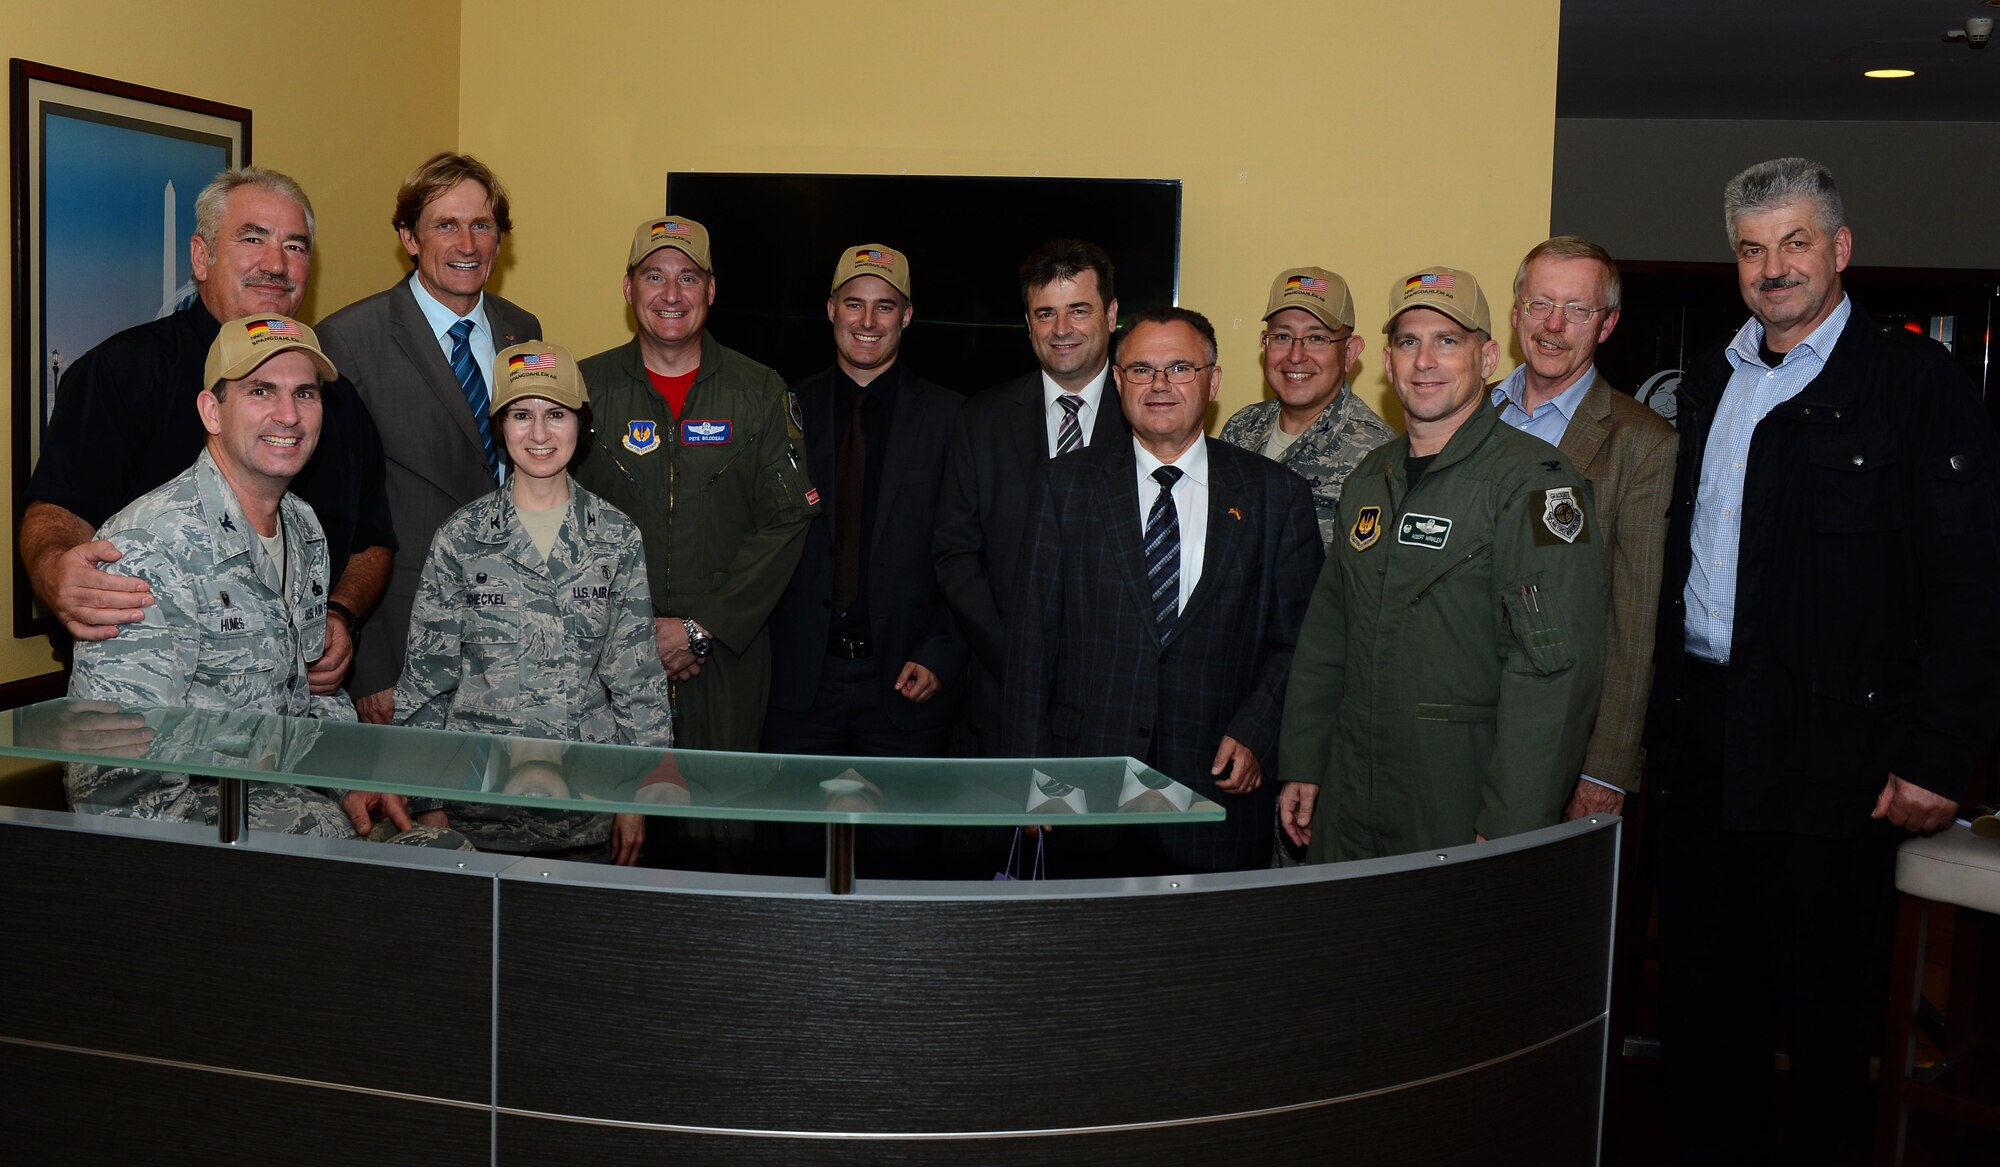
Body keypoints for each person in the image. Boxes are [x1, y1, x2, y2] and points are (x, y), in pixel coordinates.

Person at [1644, 158, 2000, 1163]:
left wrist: (1938, 753)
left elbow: (1971, 587)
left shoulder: (1912, 385)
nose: (1772, 269)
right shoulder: (1713, 378)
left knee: (1824, 1027)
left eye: (1794, 243)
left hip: (1834, 755)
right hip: (1704, 738)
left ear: (1839, 249)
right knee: (1704, 1015)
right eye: (1751, 249)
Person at [22, 168, 394, 696]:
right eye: (252, 238)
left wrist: (338, 613)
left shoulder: (336, 398)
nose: (275, 264)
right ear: (201, 257)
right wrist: (55, 569)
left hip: (296, 722)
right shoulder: (121, 372)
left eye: (295, 246)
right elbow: (56, 509)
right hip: (164, 713)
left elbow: (373, 540)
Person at [1278, 266, 1606, 862]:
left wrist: (1513, 821)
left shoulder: (1538, 488)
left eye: (1447, 341)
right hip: (1352, 791)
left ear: (1486, 360)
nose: (1424, 360)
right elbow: (1328, 635)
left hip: (1458, 795)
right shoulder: (1368, 478)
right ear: (1387, 360)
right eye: (1409, 342)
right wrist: (1303, 759)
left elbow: (1553, 674)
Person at [1001, 306, 1322, 874]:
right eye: (1142, 369)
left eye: (1179, 368)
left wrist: (1257, 732)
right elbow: (1032, 639)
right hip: (1083, 788)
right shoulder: (1065, 486)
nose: (1160, 385)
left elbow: (1300, 641)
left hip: (1219, 786)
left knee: (1206, 961)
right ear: (1119, 381)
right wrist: (1031, 770)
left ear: (1213, 380)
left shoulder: (1277, 496)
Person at [369, 342, 672, 865]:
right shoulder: (461, 538)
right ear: (500, 427)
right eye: (521, 415)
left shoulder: (616, 538)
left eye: (556, 415)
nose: (538, 434)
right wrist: (426, 798)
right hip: (476, 808)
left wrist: (638, 795)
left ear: (582, 424)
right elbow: (428, 681)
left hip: (587, 807)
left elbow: (636, 680)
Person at [64, 314, 359, 835]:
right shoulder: (150, 545)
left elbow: (309, 695)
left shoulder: (304, 526)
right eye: (261, 391)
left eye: (306, 394)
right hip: (193, 855)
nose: (288, 415)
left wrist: (357, 780)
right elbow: (111, 784)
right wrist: (317, 820)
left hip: (300, 813)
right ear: (212, 411)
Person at [572, 217, 820, 757]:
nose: (670, 294)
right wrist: (633, 631)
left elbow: (787, 519)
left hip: (726, 659)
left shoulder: (757, 391)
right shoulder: (584, 391)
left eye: (687, 278)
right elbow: (558, 519)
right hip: (605, 658)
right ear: (627, 287)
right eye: (654, 275)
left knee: (719, 823)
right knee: (609, 817)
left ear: (710, 289)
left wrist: (700, 627)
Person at [318, 153, 543, 725]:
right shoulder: (348, 342)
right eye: (446, 225)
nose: (467, 244)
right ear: (409, 238)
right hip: (405, 643)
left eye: (482, 225)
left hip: (513, 635)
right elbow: (339, 523)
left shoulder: (523, 330)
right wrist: (369, 668)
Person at [1491, 237, 1675, 818]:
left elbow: (1635, 620)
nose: (1553, 325)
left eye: (1577, 309)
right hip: (1455, 720)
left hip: (1559, 735)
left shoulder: (1642, 444)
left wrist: (1606, 768)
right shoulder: (1464, 413)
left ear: (1607, 323)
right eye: (1540, 303)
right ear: (1516, 310)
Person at [765, 244, 965, 758]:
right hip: (799, 685)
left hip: (907, 681)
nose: (868, 321)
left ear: (908, 316)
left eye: (886, 306)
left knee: (901, 841)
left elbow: (972, 549)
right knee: (794, 838)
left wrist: (941, 653)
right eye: (854, 304)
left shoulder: (954, 421)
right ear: (831, 310)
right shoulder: (781, 411)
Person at [934, 239, 1127, 757]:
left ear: (1110, 315)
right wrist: (1017, 656)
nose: (1061, 330)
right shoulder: (981, 420)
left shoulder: (1148, 416)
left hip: (1120, 704)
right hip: (1002, 699)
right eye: (1046, 313)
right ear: (1028, 322)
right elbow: (955, 552)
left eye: (1078, 310)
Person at [1218, 266, 1395, 548]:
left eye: (1317, 338)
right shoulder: (1241, 428)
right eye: (1283, 337)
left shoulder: (1375, 454)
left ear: (1349, 353)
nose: (1296, 355)